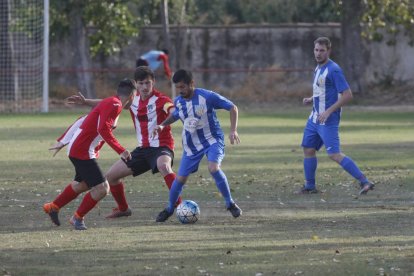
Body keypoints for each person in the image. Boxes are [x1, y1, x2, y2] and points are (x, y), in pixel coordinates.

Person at [66, 66, 181, 219]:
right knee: (111, 176)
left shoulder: (162, 100)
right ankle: (123, 209)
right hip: (142, 150)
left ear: (153, 82)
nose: (144, 87)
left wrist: (164, 123)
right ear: (136, 84)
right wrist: (86, 101)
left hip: (162, 147)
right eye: (141, 84)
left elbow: (173, 111)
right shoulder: (133, 100)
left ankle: (180, 206)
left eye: (147, 83)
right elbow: (107, 103)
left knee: (163, 166)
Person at [43, 78, 137, 230]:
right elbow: (103, 130)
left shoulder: (111, 102)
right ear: (132, 96)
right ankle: (77, 218)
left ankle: (53, 207)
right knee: (102, 188)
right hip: (82, 151)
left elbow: (87, 115)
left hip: (81, 150)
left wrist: (63, 141)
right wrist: (121, 150)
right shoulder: (114, 105)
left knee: (83, 184)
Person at [153, 69, 242, 222]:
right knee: (180, 179)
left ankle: (230, 203)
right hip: (191, 145)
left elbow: (232, 107)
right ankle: (169, 208)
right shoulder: (179, 102)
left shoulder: (207, 96)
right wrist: (162, 125)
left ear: (191, 84)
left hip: (212, 140)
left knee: (213, 168)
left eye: (183, 87)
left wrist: (233, 130)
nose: (180, 91)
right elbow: (175, 115)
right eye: (178, 87)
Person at [300, 37, 375, 195]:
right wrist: (312, 99)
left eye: (322, 50)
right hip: (314, 118)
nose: (318, 53)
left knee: (334, 154)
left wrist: (328, 111)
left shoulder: (333, 70)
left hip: (327, 120)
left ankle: (365, 182)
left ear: (329, 51)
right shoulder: (318, 67)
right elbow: (324, 91)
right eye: (316, 50)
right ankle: (310, 187)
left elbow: (347, 95)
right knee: (308, 149)